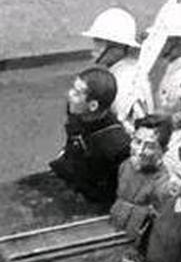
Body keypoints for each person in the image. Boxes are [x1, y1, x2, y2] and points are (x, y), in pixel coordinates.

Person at [49, 67, 132, 207]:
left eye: (77, 93)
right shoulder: (76, 112)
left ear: (93, 105)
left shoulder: (116, 146)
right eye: (73, 89)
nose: (69, 95)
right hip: (68, 175)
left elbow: (113, 192)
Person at [110, 117, 172, 243]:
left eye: (149, 146)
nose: (140, 151)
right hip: (115, 226)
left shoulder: (163, 183)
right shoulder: (126, 165)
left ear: (163, 151)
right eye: (137, 142)